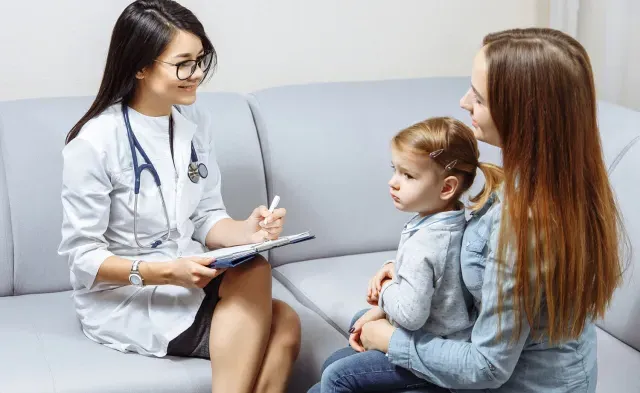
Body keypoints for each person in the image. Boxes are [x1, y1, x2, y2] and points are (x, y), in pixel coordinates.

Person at [321, 27, 628, 393]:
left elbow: (487, 367)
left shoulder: (523, 223)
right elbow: (484, 284)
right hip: (540, 373)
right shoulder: (553, 185)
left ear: (522, 114)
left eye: (479, 98)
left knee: (341, 374)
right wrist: (402, 281)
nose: (464, 101)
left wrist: (389, 339)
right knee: (347, 348)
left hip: (513, 383)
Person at [57, 1, 301, 392]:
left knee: (280, 309)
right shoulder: (95, 143)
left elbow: (206, 216)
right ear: (140, 66)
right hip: (127, 294)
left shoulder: (195, 122)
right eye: (184, 63)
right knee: (268, 295)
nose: (198, 74)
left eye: (201, 60)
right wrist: (168, 272)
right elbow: (83, 258)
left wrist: (247, 232)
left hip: (188, 272)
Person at [308, 117, 502, 392]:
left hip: (431, 352)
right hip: (446, 334)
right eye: (395, 170)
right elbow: (438, 277)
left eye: (408, 176)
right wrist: (395, 268)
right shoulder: (453, 221)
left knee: (336, 376)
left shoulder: (426, 243)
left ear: (446, 187)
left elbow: (411, 316)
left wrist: (387, 288)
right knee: (338, 355)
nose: (393, 182)